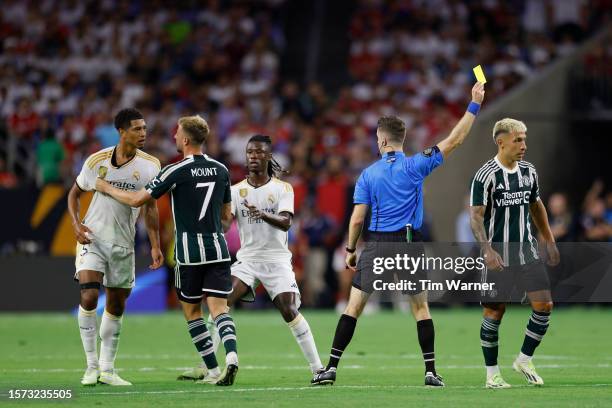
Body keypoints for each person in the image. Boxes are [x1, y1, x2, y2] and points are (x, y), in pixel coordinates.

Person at [312, 82, 486, 387]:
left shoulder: (367, 174)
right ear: (401, 140)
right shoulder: (416, 165)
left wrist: (352, 249)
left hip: (377, 245)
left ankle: (331, 368)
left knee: (353, 308)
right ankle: (430, 372)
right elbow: (455, 140)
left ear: (381, 141)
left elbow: (356, 219)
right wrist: (474, 104)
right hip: (408, 244)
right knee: (420, 308)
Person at [95, 115, 239, 386]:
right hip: (218, 249)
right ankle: (231, 356)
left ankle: (212, 370)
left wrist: (105, 187)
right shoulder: (221, 169)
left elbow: (138, 199)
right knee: (220, 309)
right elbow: (227, 217)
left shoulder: (175, 170)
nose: (173, 137)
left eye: (176, 133)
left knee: (192, 312)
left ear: (185, 140)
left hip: (188, 252)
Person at [180, 134, 324, 380]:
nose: (253, 157)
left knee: (288, 309)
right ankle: (208, 368)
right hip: (247, 260)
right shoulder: (236, 190)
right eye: (249, 153)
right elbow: (226, 224)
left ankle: (318, 369)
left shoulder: (282, 188)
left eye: (258, 153)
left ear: (268, 156)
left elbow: (286, 222)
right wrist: (212, 217)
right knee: (221, 304)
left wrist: (262, 214)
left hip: (277, 260)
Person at [67, 108, 163, 386]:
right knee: (88, 297)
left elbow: (151, 207)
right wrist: (75, 225)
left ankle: (108, 370)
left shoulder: (150, 165)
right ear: (121, 132)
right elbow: (74, 194)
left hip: (123, 243)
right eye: (137, 129)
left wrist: (155, 245)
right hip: (92, 237)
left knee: (117, 304)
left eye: (145, 128)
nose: (143, 133)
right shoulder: (96, 161)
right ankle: (90, 366)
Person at [469, 118, 560, 389]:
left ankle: (524, 359)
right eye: (518, 140)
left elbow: (536, 205)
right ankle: (492, 374)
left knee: (544, 306)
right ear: (501, 142)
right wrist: (486, 250)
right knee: (495, 313)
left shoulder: (529, 171)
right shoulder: (485, 175)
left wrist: (549, 238)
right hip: (498, 257)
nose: (523, 145)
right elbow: (476, 217)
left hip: (527, 252)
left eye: (524, 139)